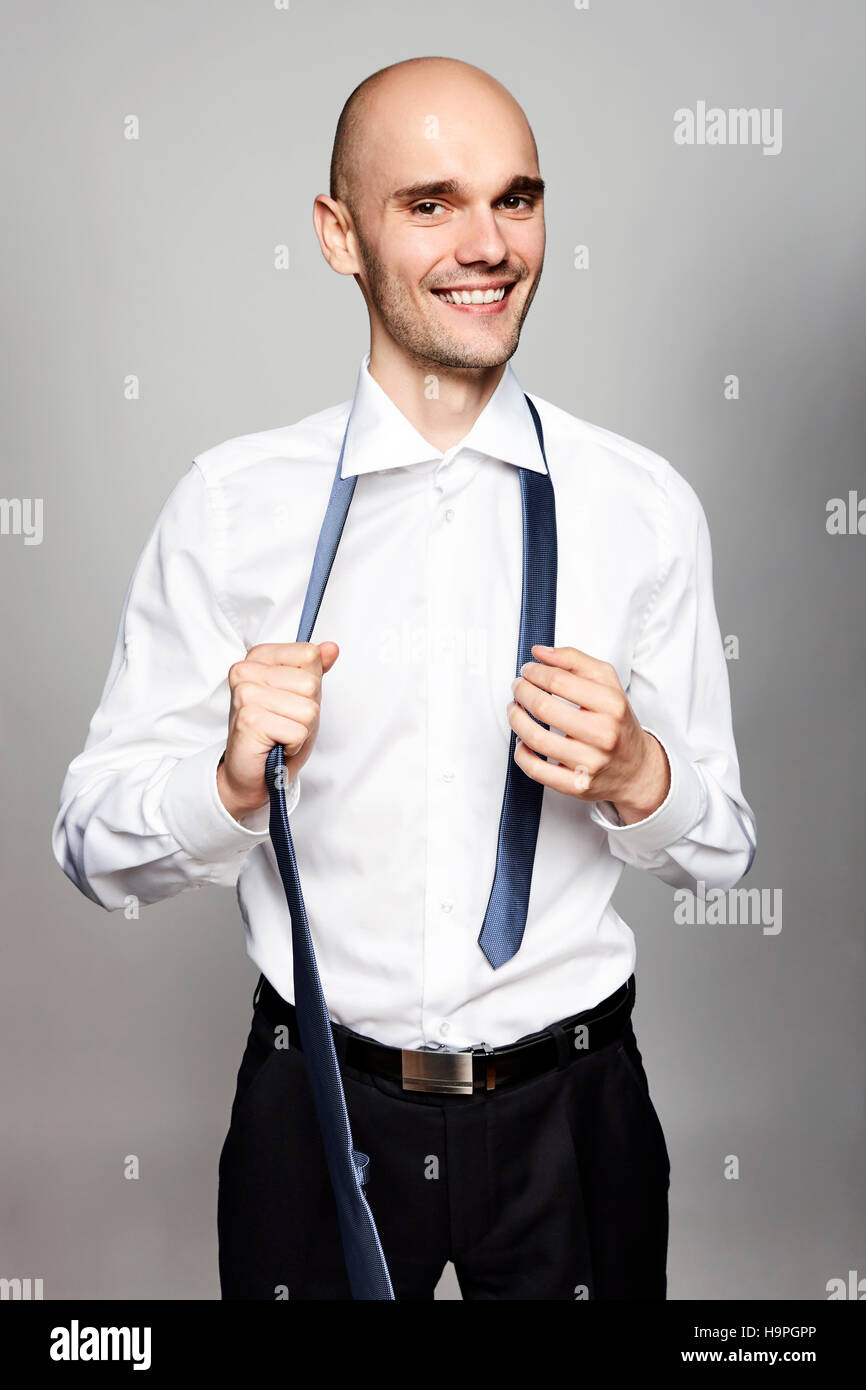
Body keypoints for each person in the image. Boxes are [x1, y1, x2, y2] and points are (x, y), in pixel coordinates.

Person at [52, 55, 756, 1301]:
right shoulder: (231, 507)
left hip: (573, 1114)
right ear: (338, 234)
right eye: (429, 203)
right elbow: (90, 849)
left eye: (516, 199)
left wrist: (644, 774)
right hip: (316, 1102)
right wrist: (221, 786)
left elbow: (719, 853)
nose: (487, 243)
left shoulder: (641, 507)